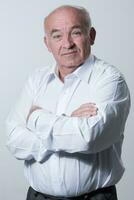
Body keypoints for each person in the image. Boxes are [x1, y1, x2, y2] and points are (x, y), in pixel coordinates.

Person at [6, 5, 130, 200]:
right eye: (57, 36)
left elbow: (89, 138)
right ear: (47, 43)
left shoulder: (110, 79)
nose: (67, 43)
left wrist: (36, 119)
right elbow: (14, 140)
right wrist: (68, 122)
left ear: (92, 35)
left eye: (76, 32)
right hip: (38, 197)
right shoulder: (36, 80)